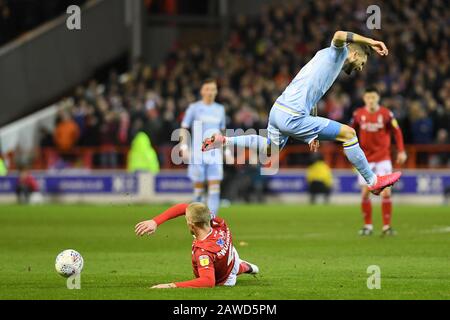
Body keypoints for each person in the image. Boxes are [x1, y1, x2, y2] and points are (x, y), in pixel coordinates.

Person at [202, 31, 401, 196]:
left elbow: (311, 98)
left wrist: (310, 134)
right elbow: (339, 34)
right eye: (363, 63)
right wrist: (370, 41)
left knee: (270, 149)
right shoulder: (338, 54)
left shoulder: (324, 59)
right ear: (356, 55)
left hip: (278, 109)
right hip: (293, 115)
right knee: (349, 134)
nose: (360, 68)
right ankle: (373, 180)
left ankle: (225, 141)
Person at [135, 202, 259, 288]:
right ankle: (245, 267)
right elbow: (184, 208)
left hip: (224, 280)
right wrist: (155, 221)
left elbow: (208, 281)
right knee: (232, 263)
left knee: (224, 269)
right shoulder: (217, 222)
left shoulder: (203, 253)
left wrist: (171, 285)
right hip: (229, 256)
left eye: (187, 220)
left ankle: (243, 267)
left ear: (192, 224)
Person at [351, 87, 406, 236]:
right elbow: (350, 131)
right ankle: (367, 226)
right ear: (364, 99)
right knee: (365, 193)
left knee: (386, 192)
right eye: (368, 98)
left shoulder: (386, 114)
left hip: (383, 158)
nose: (371, 100)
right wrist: (349, 150)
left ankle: (386, 227)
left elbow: (397, 131)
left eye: (373, 97)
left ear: (378, 98)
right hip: (365, 160)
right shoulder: (358, 115)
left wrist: (401, 150)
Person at [180, 79, 226, 216]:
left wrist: (226, 150)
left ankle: (212, 219)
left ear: (216, 91)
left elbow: (222, 132)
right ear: (202, 91)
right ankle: (196, 219)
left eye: (213, 89)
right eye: (207, 89)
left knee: (214, 188)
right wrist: (183, 147)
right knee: (198, 190)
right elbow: (184, 128)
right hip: (198, 154)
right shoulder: (194, 108)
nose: (210, 92)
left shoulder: (220, 109)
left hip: (215, 154)